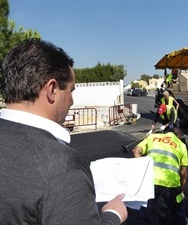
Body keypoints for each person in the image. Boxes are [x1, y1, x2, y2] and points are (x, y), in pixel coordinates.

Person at [0, 39, 127, 225]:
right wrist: (112, 216)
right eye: (71, 90)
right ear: (52, 89)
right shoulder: (62, 168)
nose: (72, 101)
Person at [132, 127, 188, 225]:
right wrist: (182, 191)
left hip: (150, 180)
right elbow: (183, 172)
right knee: (177, 208)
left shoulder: (152, 137)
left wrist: (143, 170)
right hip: (171, 183)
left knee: (145, 207)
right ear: (179, 136)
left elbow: (135, 151)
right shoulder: (181, 145)